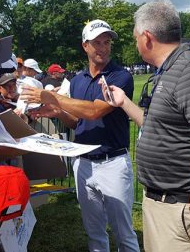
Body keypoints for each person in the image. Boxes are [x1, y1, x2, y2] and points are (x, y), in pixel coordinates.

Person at [101, 0, 190, 252]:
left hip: (178, 207)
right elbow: (155, 126)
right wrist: (123, 102)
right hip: (162, 203)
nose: (136, 43)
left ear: (147, 37)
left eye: (136, 37)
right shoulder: (169, 71)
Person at [20, 19, 140, 252]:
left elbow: (95, 111)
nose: (104, 47)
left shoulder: (120, 77)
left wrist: (51, 97)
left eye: (107, 42)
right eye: (97, 42)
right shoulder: (77, 80)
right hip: (83, 163)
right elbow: (77, 122)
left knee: (123, 232)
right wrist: (57, 112)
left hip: (112, 163)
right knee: (94, 232)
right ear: (85, 46)